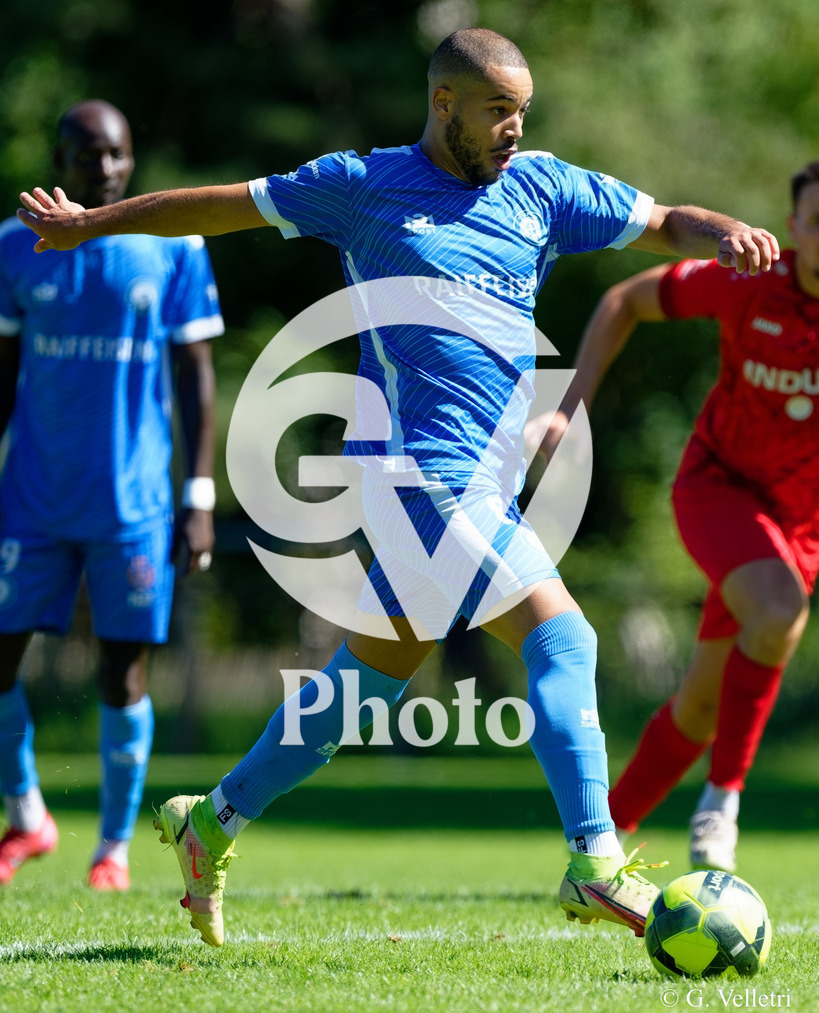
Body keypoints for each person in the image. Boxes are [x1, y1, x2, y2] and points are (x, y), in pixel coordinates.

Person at [16, 30, 778, 944]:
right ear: (444, 104)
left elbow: (661, 221)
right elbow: (221, 209)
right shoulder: (362, 186)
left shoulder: (539, 187)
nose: (513, 128)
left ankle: (209, 819)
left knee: (360, 689)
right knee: (562, 635)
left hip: (479, 487)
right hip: (418, 476)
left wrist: (722, 231)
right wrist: (89, 224)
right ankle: (595, 863)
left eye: (521, 111)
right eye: (497, 110)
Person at [531, 162, 819, 875]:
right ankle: (721, 803)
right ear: (792, 229)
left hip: (796, 524)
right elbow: (624, 301)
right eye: (818, 222)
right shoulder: (750, 278)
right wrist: (571, 409)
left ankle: (599, 844)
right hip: (716, 491)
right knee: (779, 608)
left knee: (697, 709)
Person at [0, 100, 224, 891]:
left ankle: (113, 851)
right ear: (58, 159)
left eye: (117, 155)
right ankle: (28, 817)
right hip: (30, 498)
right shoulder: (13, 247)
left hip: (133, 505)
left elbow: (196, 378)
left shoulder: (171, 245)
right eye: (87, 154)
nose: (102, 169)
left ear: (132, 160)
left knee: (121, 677)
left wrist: (198, 496)